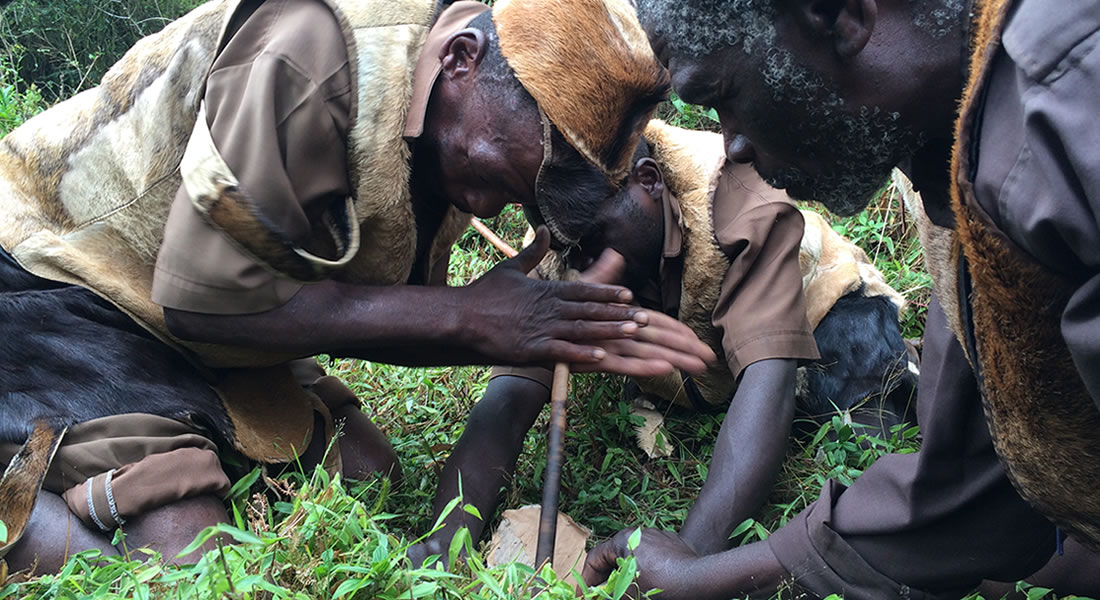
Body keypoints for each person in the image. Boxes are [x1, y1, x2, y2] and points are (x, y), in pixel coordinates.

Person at [0, 0, 715, 574]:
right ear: (462, 60)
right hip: (57, 285)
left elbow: (391, 318)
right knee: (192, 553)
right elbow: (198, 303)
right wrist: (466, 313)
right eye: (499, 177)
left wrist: (505, 325)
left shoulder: (452, 127)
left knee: (370, 474)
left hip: (205, 327)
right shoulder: (308, 42)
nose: (492, 210)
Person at [581, 0, 1100, 598]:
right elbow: (967, 486)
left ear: (839, 15)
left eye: (724, 95)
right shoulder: (950, 145)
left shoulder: (1063, 107)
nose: (735, 144)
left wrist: (703, 578)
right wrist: (702, 578)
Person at [415, 119, 918, 565]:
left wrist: (683, 566)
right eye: (570, 249)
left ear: (649, 183)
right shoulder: (561, 239)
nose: (589, 269)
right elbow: (508, 398)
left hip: (826, 316)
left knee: (870, 427)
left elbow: (768, 381)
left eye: (594, 241)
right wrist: (446, 536)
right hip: (704, 372)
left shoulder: (737, 196)